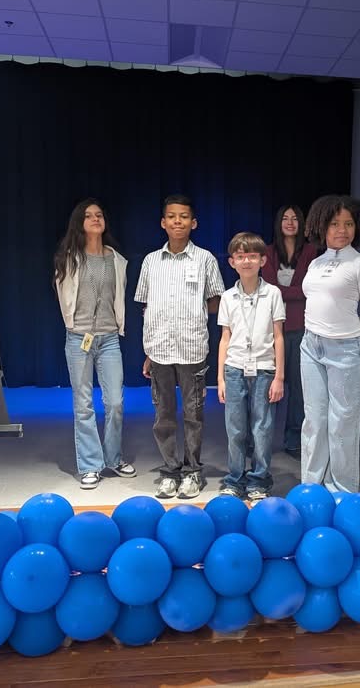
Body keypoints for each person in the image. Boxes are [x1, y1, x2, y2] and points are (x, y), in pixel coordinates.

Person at [135, 194, 225, 500]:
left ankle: (193, 471)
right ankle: (169, 470)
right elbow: (146, 306)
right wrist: (148, 350)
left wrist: (192, 317)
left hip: (192, 349)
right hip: (159, 350)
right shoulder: (150, 261)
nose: (177, 221)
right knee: (163, 414)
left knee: (193, 414)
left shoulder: (205, 259)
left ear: (193, 222)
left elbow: (215, 300)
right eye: (171, 216)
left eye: (184, 216)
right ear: (163, 222)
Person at [300, 195, 360, 493]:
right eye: (334, 224)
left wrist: (347, 335)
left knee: (342, 422)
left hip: (346, 349)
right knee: (315, 418)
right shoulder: (316, 262)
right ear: (322, 226)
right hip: (311, 347)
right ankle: (311, 486)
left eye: (348, 224)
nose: (342, 230)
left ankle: (343, 490)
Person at [53, 198, 135, 489]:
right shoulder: (69, 257)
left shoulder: (116, 259)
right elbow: (64, 295)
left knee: (115, 401)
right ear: (80, 222)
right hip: (79, 338)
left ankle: (113, 458)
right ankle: (90, 464)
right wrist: (73, 324)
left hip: (109, 337)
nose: (95, 219)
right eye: (89, 216)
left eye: (99, 215)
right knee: (83, 404)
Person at [217, 232, 286, 501]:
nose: (246, 261)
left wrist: (279, 376)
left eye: (252, 256)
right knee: (235, 429)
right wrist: (221, 378)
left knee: (262, 428)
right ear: (232, 262)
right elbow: (225, 338)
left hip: (264, 370)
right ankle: (234, 478)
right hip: (234, 369)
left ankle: (259, 479)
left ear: (262, 260)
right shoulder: (227, 297)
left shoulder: (273, 294)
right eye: (240, 256)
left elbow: (278, 336)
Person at [262, 205, 318, 459]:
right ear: (278, 222)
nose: (290, 222)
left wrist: (283, 292)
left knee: (298, 386)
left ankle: (293, 439)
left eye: (295, 218)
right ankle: (260, 439)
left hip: (300, 326)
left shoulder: (310, 252)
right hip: (270, 328)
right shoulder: (268, 252)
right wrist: (295, 292)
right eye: (285, 218)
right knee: (266, 385)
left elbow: (309, 289)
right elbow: (268, 287)